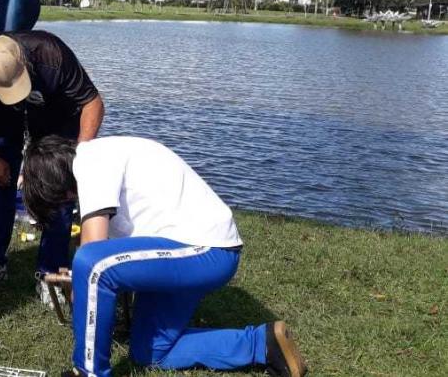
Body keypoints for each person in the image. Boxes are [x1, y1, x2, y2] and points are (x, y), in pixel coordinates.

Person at [21, 135, 308, 377]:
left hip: (207, 251)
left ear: (56, 182)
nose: (66, 204)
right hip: (194, 249)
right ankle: (262, 343)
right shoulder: (101, 155)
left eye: (59, 200)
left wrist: (79, 290)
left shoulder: (89, 161)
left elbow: (92, 253)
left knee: (92, 264)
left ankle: (87, 371)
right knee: (151, 352)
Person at [0, 31, 104, 298]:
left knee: (58, 187)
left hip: (57, 116)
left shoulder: (50, 54)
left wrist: (81, 158)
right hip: (6, 117)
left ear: (23, 59)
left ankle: (51, 272)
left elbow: (92, 102)